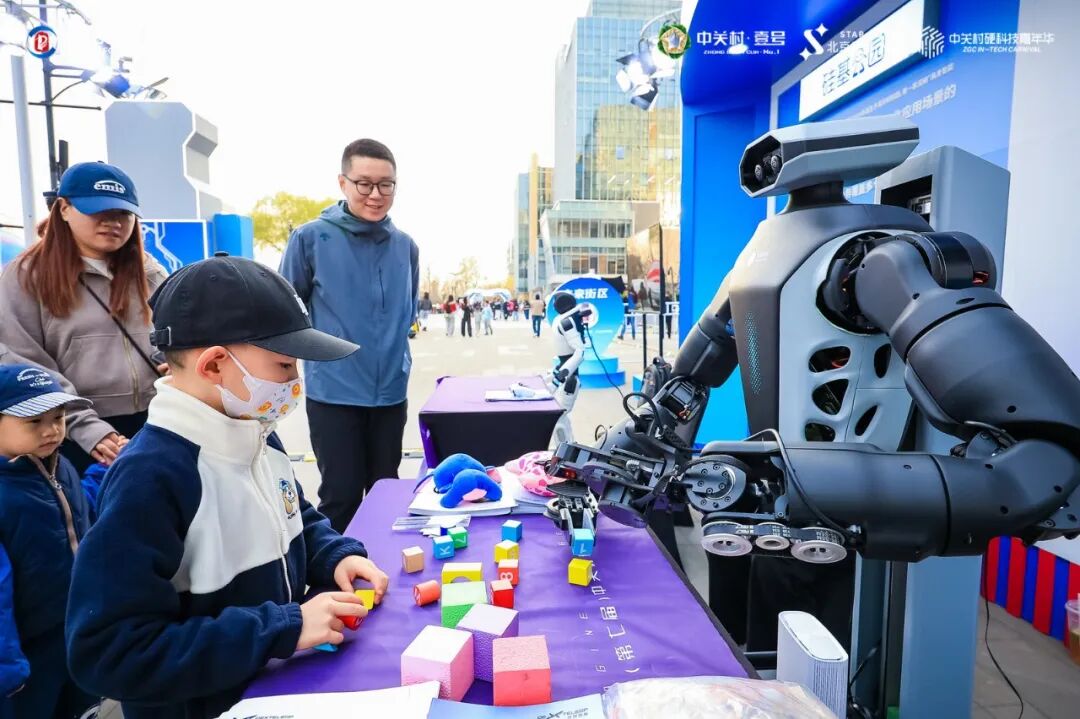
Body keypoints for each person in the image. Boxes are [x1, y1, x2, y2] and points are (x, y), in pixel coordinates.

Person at [65, 256, 389, 719]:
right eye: (284, 364)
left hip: (273, 688)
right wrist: (282, 628)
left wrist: (335, 555)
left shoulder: (256, 433)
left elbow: (294, 514)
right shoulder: (151, 478)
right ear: (215, 364)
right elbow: (109, 652)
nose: (294, 383)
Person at [279, 139, 418, 533]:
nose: (376, 194)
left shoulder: (406, 246)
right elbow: (286, 313)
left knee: (386, 492)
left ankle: (381, 567)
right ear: (343, 183)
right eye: (364, 184)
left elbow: (407, 312)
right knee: (340, 496)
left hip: (390, 394)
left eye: (386, 184)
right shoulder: (309, 238)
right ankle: (335, 568)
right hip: (334, 394)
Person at [0, 162, 167, 475]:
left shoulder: (149, 272)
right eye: (98, 210)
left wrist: (175, 364)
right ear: (64, 209)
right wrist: (87, 428)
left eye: (123, 213)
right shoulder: (24, 277)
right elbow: (22, 361)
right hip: (68, 435)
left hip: (156, 423)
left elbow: (170, 336)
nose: (113, 222)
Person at [0, 365, 98, 719]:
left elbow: (81, 512)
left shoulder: (60, 466)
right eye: (33, 422)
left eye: (58, 417)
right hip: (27, 653)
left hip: (76, 629)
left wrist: (106, 473)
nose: (52, 430)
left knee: (85, 709)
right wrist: (7, 667)